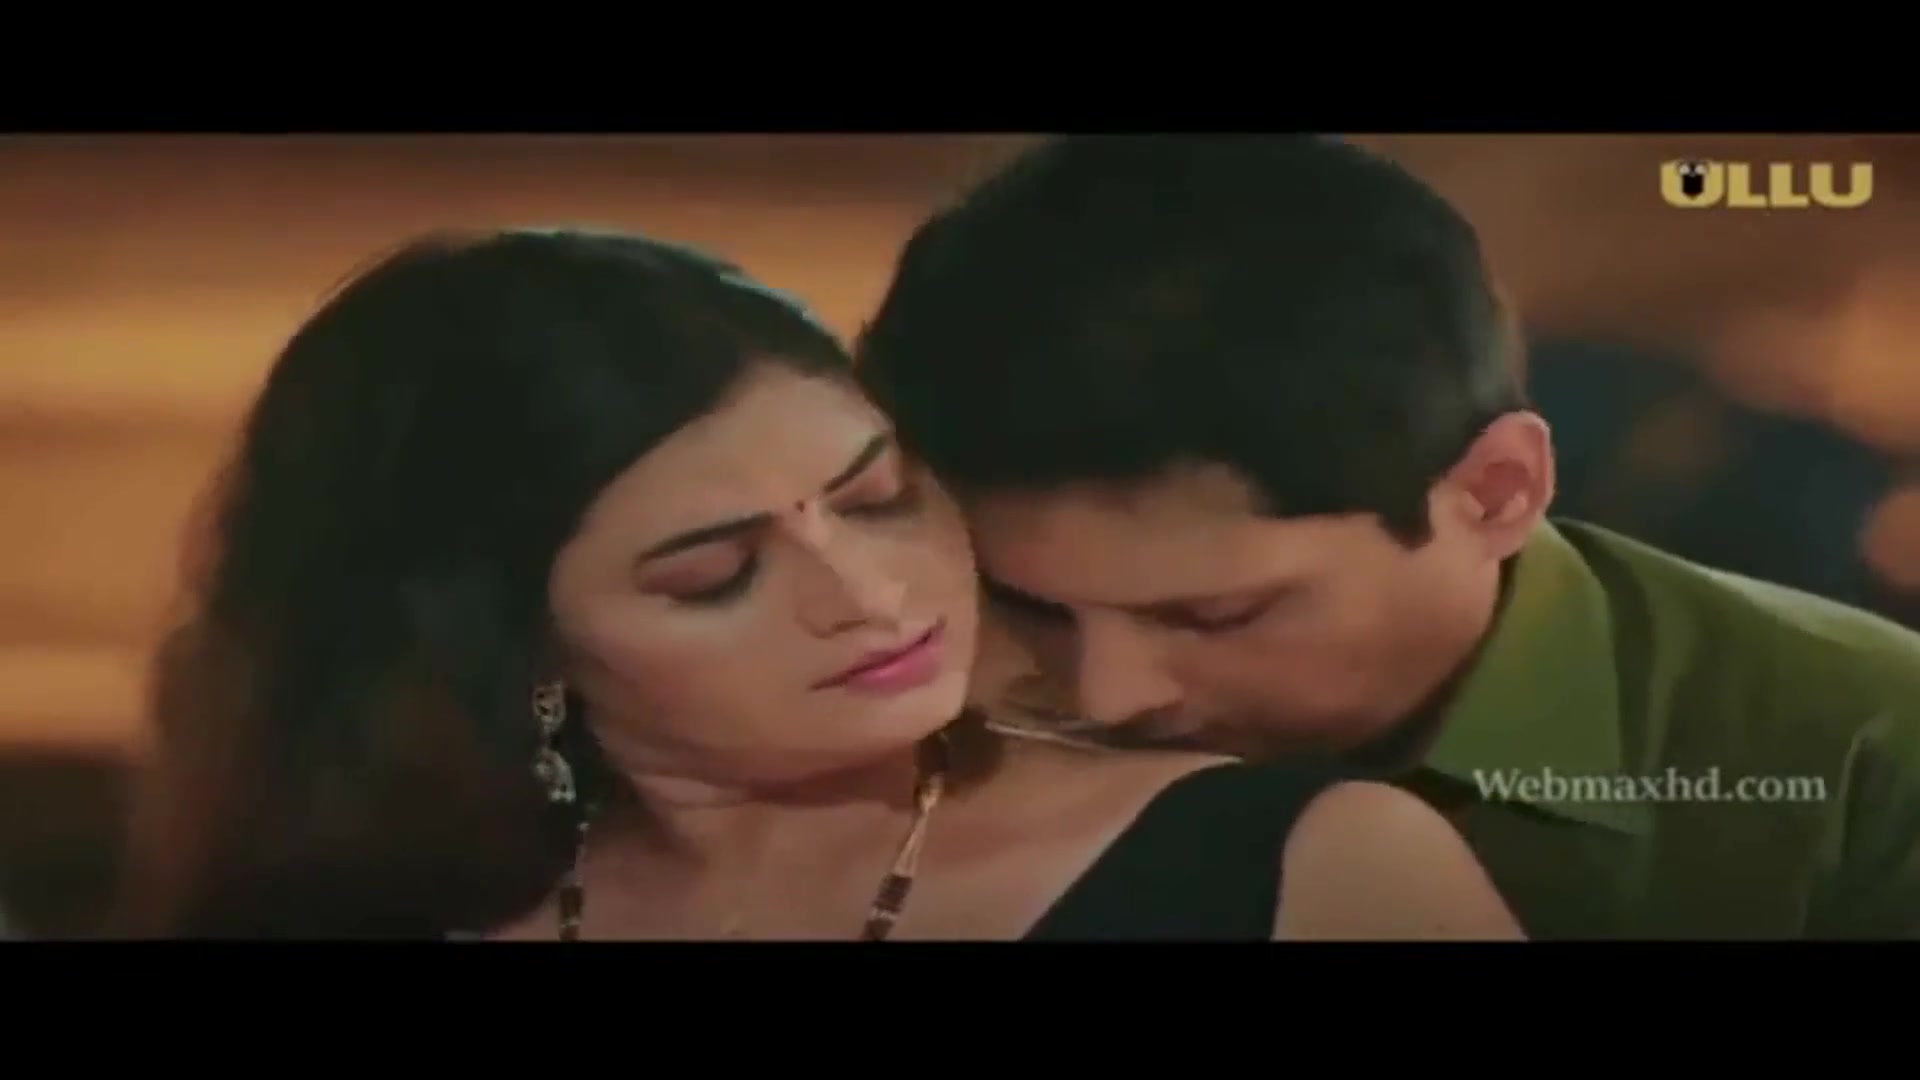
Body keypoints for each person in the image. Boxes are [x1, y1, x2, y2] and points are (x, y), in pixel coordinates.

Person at [108, 226, 1522, 941]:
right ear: (515, 648)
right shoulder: (363, 908)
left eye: (879, 496)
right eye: (716, 574)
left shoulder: (1305, 867)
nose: (869, 590)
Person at [855, 134, 1920, 939]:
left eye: (1217, 614)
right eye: (1027, 604)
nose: (1107, 696)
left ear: (1497, 492)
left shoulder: (1863, 748)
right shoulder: (879, 734)